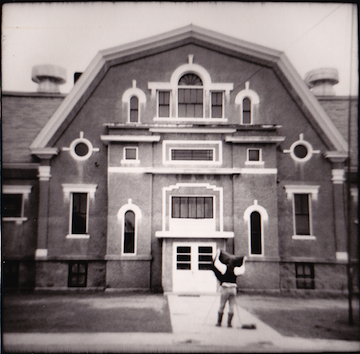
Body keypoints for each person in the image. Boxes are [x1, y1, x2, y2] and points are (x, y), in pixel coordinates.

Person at [212, 249, 247, 328]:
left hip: (225, 288)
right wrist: (244, 261)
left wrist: (217, 254)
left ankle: (219, 323)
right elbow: (243, 270)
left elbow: (216, 263)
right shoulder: (236, 270)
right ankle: (229, 324)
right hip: (233, 289)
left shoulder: (224, 268)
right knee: (231, 306)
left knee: (222, 305)